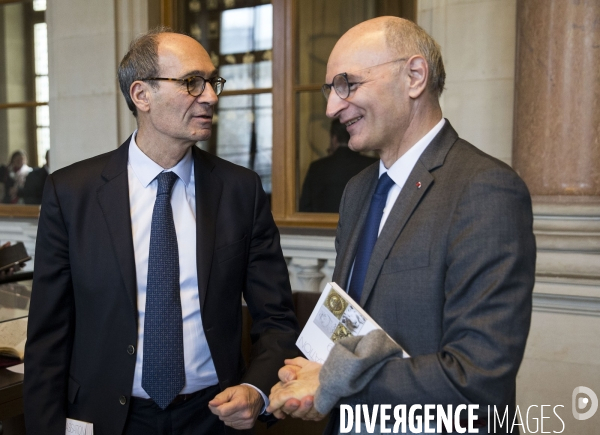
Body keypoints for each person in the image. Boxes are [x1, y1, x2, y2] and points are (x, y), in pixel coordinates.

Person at [268, 16, 536, 435]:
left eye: (347, 84)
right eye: (330, 90)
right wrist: (312, 372)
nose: (331, 108)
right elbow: (351, 322)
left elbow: (479, 380)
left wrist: (332, 380)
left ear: (414, 76)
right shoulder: (358, 190)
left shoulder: (485, 189)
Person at [24, 28, 299, 435]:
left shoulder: (241, 191)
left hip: (213, 419)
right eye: (192, 82)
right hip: (107, 418)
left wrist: (255, 389)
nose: (210, 96)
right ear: (142, 95)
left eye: (211, 82)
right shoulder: (71, 193)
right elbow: (48, 335)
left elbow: (276, 317)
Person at [299, 119, 377, 213]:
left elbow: (305, 209)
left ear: (334, 139)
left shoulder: (317, 168)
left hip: (320, 226)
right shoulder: (373, 166)